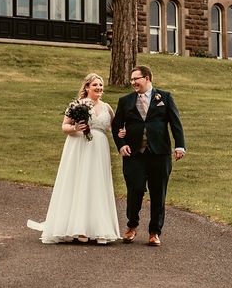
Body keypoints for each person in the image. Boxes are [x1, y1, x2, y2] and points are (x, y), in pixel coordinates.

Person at [27, 73, 121, 244]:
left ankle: (100, 229)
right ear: (86, 87)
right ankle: (79, 229)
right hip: (80, 146)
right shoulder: (76, 105)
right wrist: (76, 127)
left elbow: (114, 129)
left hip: (99, 148)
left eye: (100, 85)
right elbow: (64, 127)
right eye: (95, 85)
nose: (99, 88)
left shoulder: (107, 107)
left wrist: (122, 133)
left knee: (97, 185)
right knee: (80, 183)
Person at [112, 64, 185, 247]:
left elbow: (175, 123)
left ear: (147, 78)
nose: (133, 82)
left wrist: (180, 146)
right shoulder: (125, 101)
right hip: (134, 154)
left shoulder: (165, 97)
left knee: (158, 193)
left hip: (159, 153)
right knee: (135, 189)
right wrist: (121, 145)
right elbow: (116, 126)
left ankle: (154, 232)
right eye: (131, 79)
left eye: (136, 78)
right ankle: (132, 226)